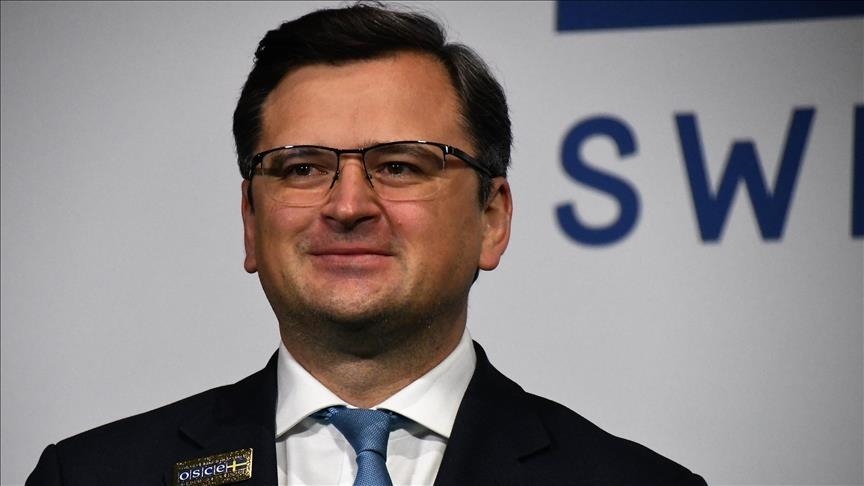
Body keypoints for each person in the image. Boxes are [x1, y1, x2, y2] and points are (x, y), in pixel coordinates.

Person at [27, 4, 707, 485]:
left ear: (492, 218)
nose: (348, 206)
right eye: (302, 168)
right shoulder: (87, 476)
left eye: (401, 166)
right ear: (250, 221)